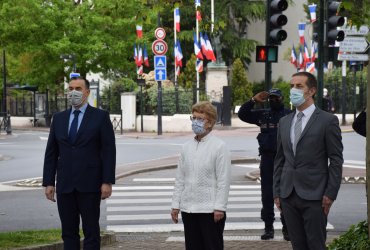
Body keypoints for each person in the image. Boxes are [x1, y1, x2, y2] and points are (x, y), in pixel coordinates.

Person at [43, 77, 116, 250]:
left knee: (91, 231)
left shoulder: (100, 117)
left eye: (78, 88)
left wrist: (107, 181)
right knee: (68, 233)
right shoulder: (59, 118)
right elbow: (51, 152)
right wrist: (48, 182)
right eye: (70, 88)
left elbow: (108, 151)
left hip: (90, 185)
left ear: (87, 92)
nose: (73, 92)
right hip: (65, 185)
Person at [273, 72, 343, 250]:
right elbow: (280, 159)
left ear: (311, 91)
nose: (293, 90)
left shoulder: (328, 121)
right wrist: (277, 192)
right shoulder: (284, 122)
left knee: (315, 245)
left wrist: (330, 194)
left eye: (299, 86)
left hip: (316, 196)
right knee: (298, 245)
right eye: (291, 86)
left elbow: (336, 160)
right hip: (288, 195)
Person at [171, 101, 231, 250]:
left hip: (210, 211)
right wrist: (175, 205)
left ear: (210, 123)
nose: (195, 122)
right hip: (189, 209)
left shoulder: (219, 147)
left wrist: (219, 207)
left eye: (200, 119)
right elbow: (180, 178)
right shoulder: (186, 147)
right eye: (194, 118)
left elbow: (223, 180)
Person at [238, 88, 291, 241]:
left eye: (277, 98)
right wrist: (253, 101)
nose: (274, 101)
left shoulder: (289, 115)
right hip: (267, 159)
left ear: (282, 99)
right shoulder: (263, 114)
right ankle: (269, 228)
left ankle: (287, 228)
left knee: (284, 194)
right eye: (271, 98)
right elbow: (242, 114)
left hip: (284, 159)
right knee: (267, 195)